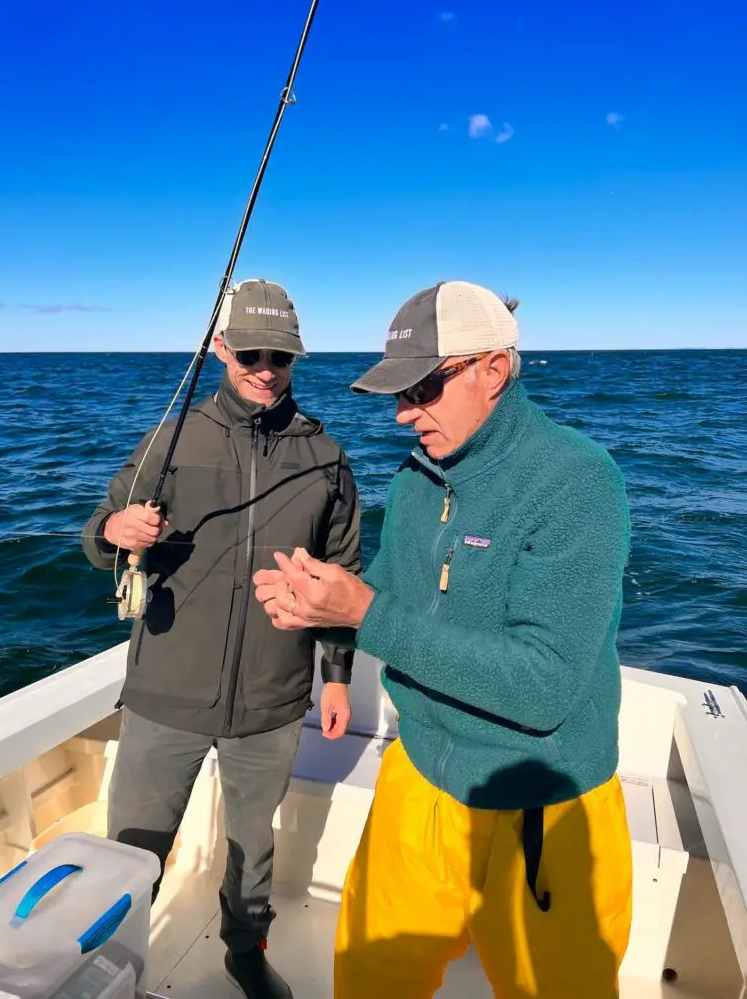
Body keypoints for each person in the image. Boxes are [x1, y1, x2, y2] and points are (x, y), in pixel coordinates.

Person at [253, 280, 633, 998]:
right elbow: (391, 605)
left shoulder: (578, 481)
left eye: (423, 387)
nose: (403, 414)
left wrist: (366, 613)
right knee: (368, 980)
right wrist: (318, 609)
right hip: (421, 773)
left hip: (547, 806)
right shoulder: (416, 478)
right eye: (399, 392)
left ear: (494, 369)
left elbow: (544, 686)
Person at [81, 278, 360, 999]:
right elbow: (95, 535)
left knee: (253, 845)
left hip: (270, 698)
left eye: (282, 355)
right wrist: (117, 533)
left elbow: (342, 576)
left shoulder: (325, 457)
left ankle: (244, 950)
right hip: (164, 694)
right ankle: (111, 964)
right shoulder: (168, 441)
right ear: (219, 348)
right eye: (250, 352)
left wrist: (335, 675)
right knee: (134, 849)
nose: (266, 367)